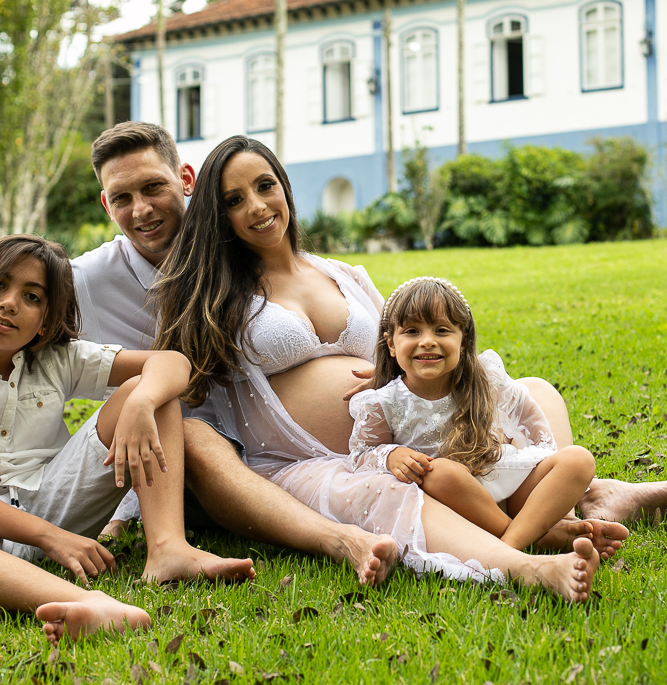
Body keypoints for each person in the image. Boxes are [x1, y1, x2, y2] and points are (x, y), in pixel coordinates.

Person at [154, 137, 612, 599]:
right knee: (388, 489)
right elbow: (179, 398)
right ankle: (529, 566)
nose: (256, 206)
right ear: (219, 217)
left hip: (414, 426)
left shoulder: (343, 274)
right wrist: (130, 509)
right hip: (311, 460)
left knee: (536, 391)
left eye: (265, 186)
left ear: (284, 187)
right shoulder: (212, 299)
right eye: (234, 200)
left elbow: (406, 343)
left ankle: (555, 517)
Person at [72, 122, 397, 586]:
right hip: (198, 464)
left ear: (186, 180)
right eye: (122, 198)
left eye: (153, 187)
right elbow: (9, 329)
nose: (141, 209)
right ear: (106, 205)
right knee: (187, 428)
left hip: (295, 441)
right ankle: (333, 539)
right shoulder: (89, 280)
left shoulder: (238, 251)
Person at [0, 236, 254, 645]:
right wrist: (51, 538)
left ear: (46, 320)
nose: (9, 303)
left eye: (32, 297)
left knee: (153, 392)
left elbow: (171, 362)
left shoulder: (56, 357)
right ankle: (91, 605)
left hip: (47, 500)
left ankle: (169, 548)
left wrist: (142, 401)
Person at [349, 276, 598, 552]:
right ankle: (525, 540)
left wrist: (541, 465)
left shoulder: (486, 378)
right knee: (439, 471)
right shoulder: (384, 402)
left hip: (506, 482)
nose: (428, 341)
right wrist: (390, 455)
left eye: (442, 330)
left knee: (578, 459)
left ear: (464, 341)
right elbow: (359, 455)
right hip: (457, 501)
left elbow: (530, 420)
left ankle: (516, 539)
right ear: (391, 344)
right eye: (412, 331)